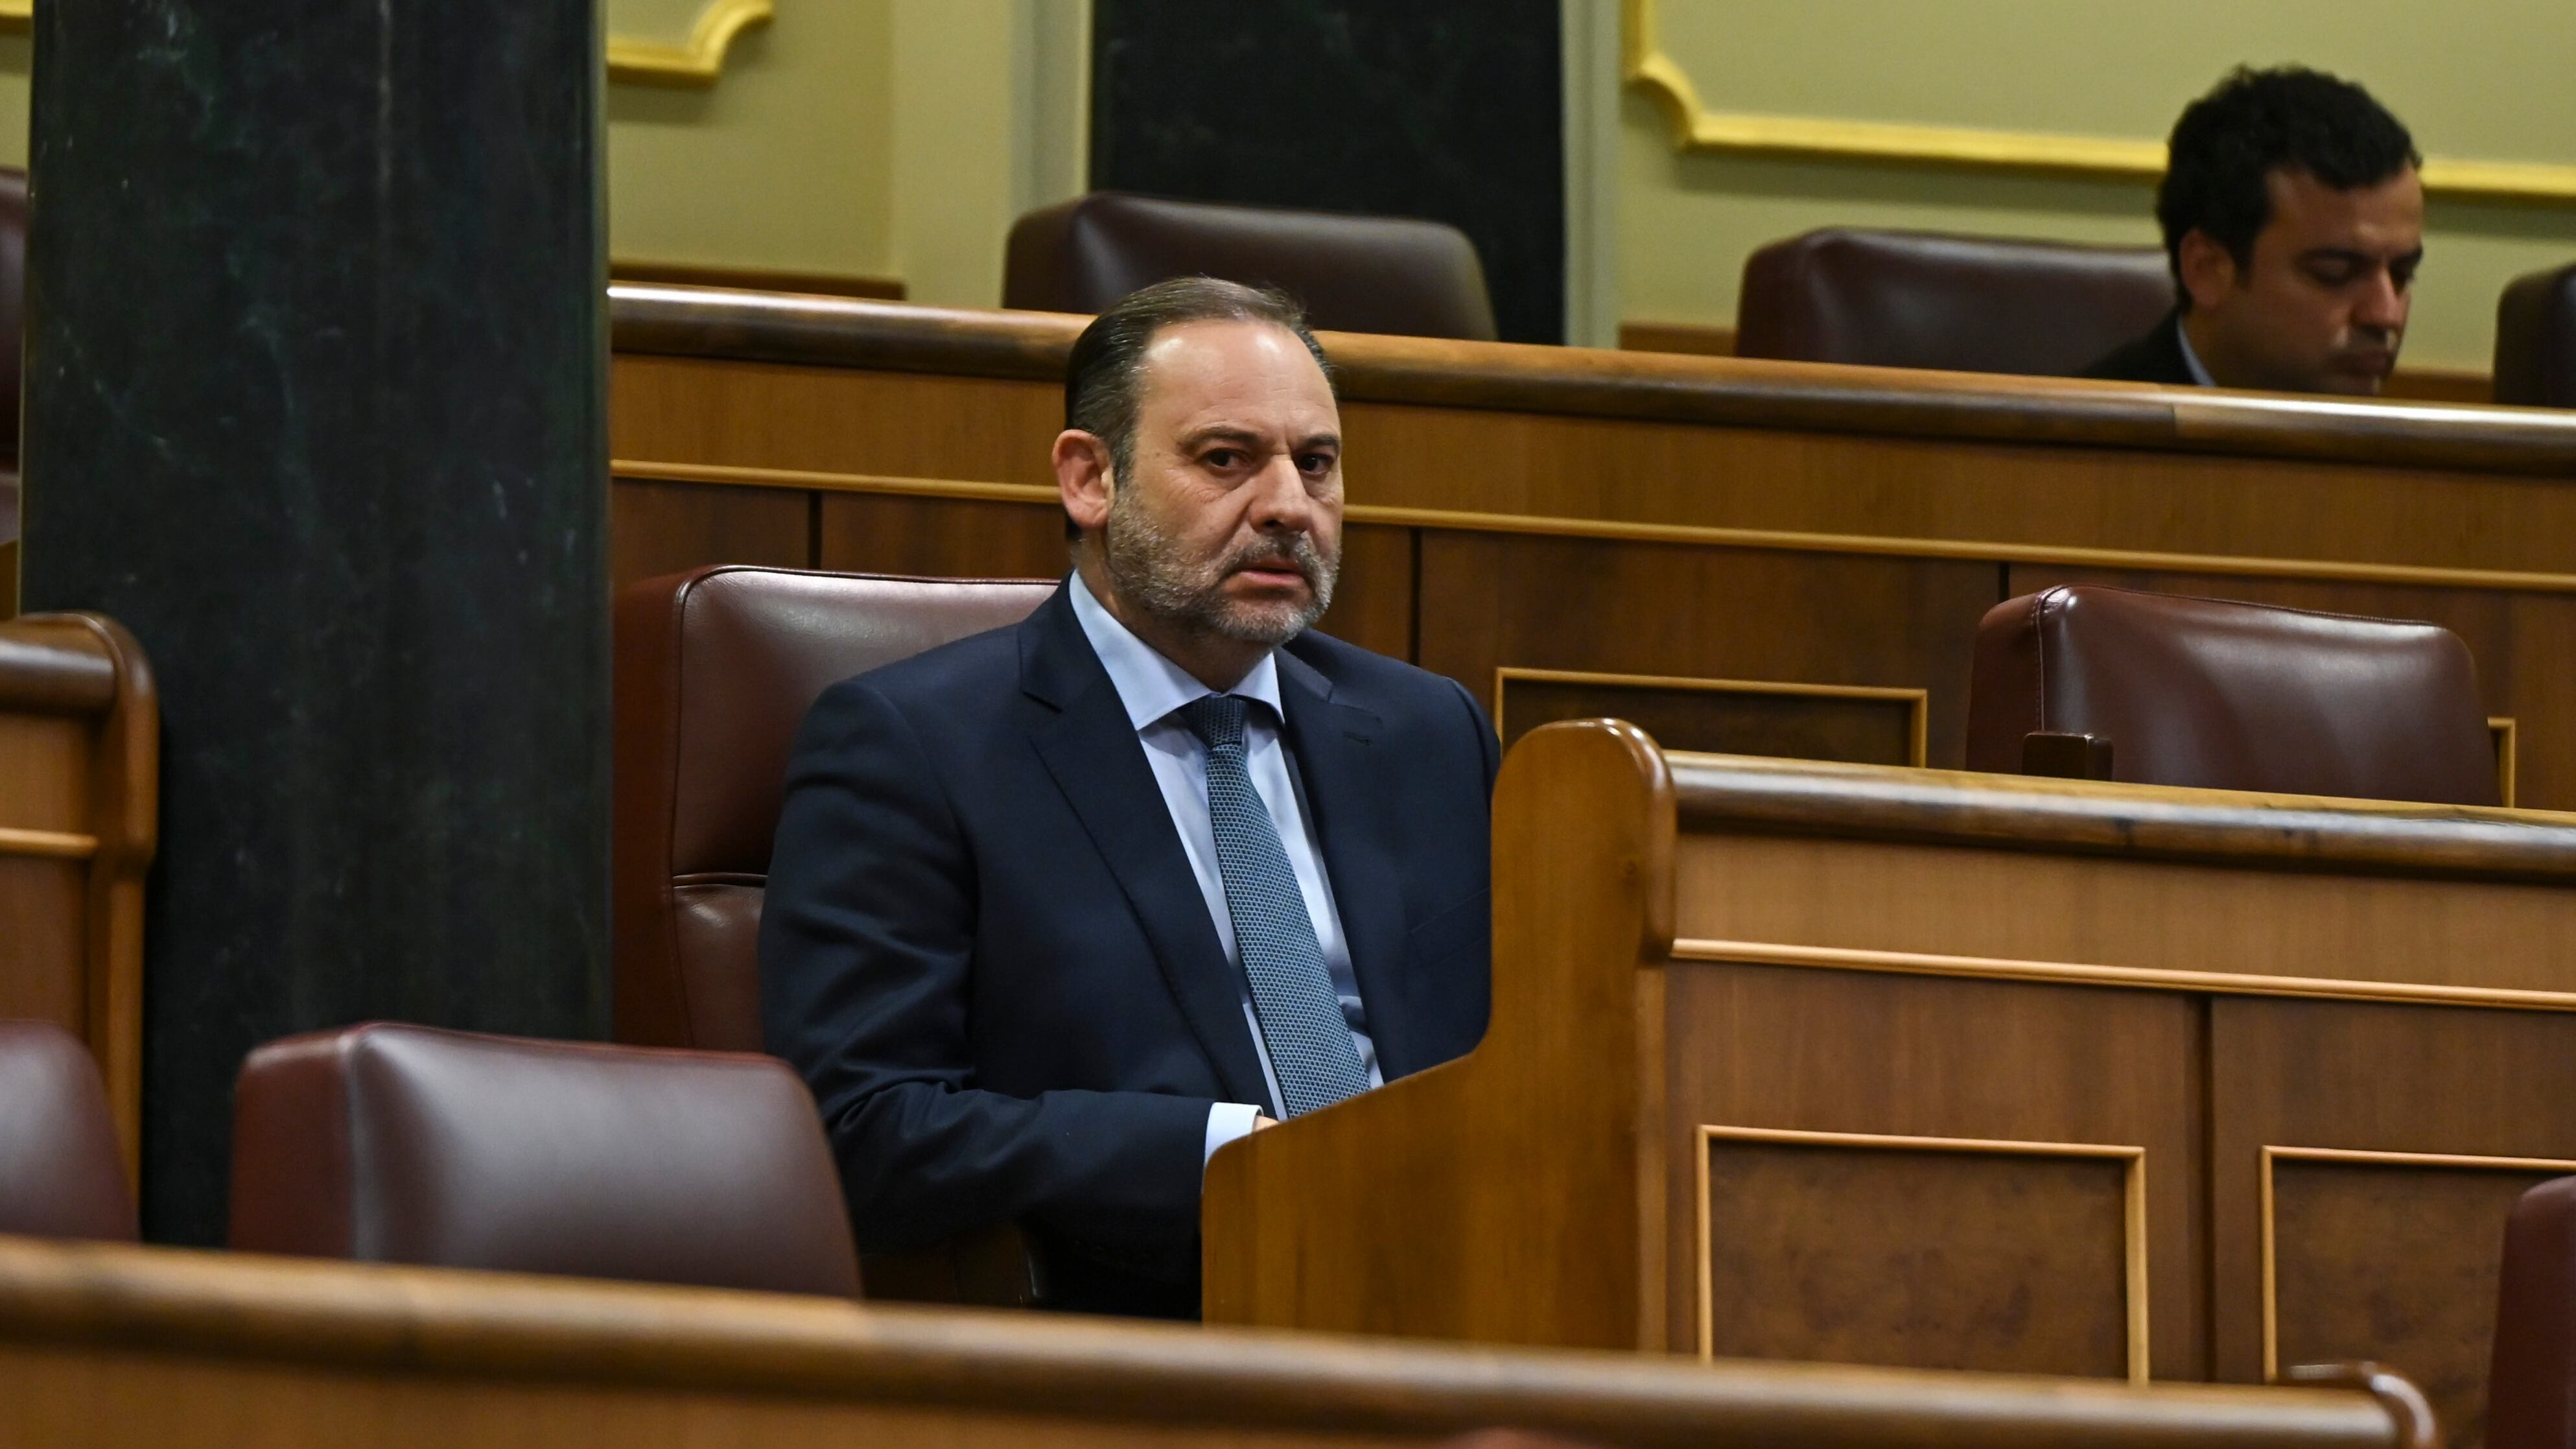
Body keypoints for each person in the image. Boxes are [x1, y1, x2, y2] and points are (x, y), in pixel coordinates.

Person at [760, 277, 1498, 1319]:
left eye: (1316, 463)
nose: (1289, 505)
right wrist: (1221, 1153)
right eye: (1226, 459)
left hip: (1471, 1308)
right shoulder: (916, 746)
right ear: (1088, 478)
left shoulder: (1430, 733)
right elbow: (857, 1129)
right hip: (1154, 1335)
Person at [2083, 66, 2423, 395]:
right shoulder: (2082, 440)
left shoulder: (2408, 446)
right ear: (2207, 269)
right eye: (2335, 273)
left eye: (2402, 275)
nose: (2386, 315)